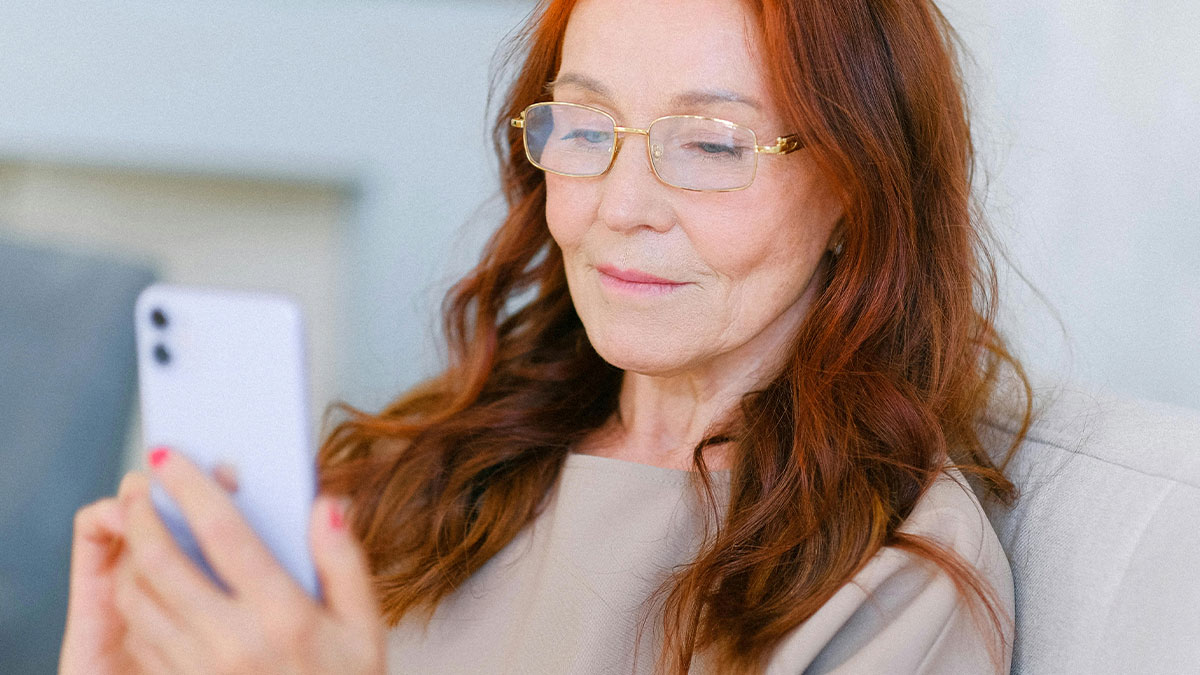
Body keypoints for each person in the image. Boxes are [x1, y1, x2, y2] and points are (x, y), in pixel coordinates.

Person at [60, 0, 1033, 672]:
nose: (620, 205)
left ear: (859, 189)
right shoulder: (435, 463)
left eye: (711, 144)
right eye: (583, 125)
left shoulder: (894, 572)